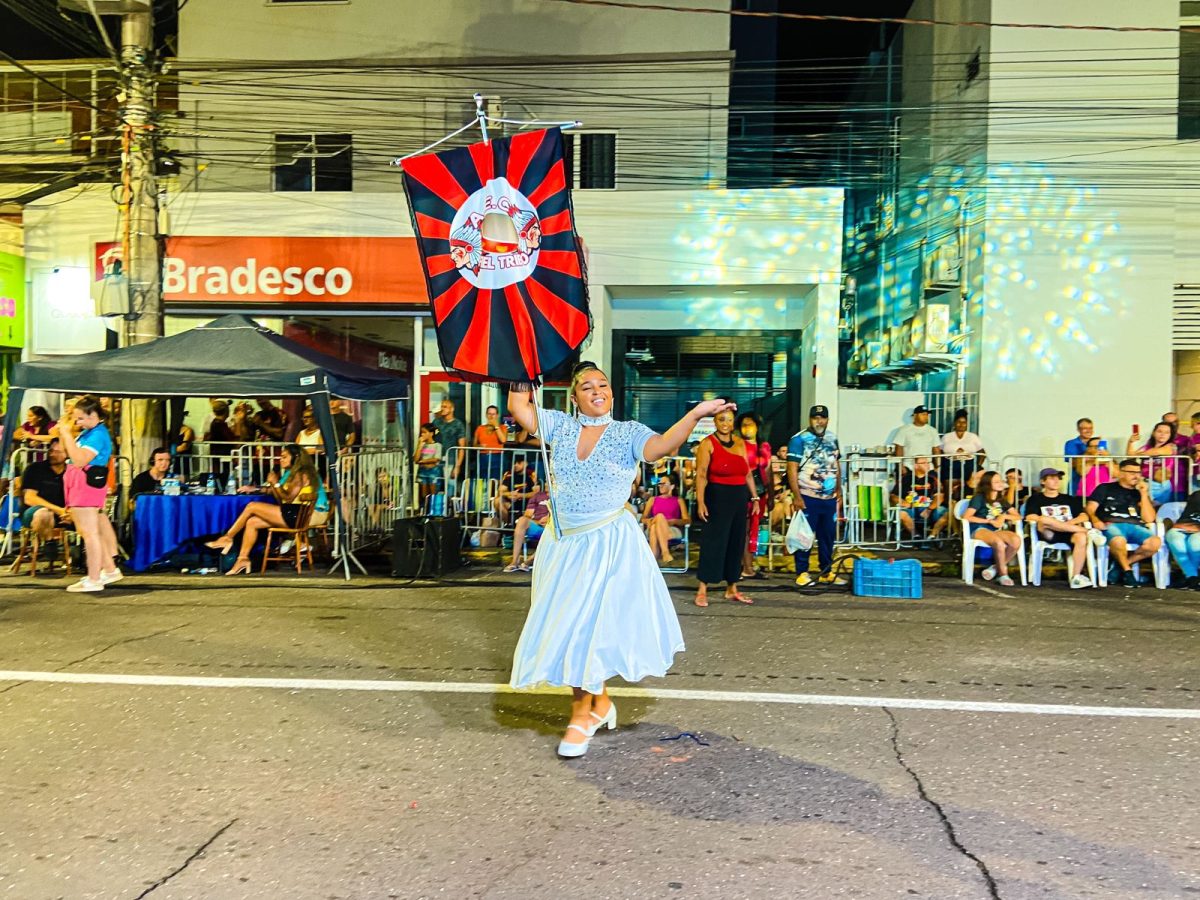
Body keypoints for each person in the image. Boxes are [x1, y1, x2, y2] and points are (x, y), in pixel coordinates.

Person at [507, 362, 726, 758]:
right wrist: (523, 366)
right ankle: (601, 703)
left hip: (608, 543)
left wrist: (694, 415)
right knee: (573, 626)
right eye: (587, 386)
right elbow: (520, 407)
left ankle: (582, 714)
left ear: (611, 392)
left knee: (588, 627)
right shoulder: (560, 426)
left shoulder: (628, 432)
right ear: (574, 397)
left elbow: (661, 447)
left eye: (602, 384)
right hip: (564, 543)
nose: (597, 390)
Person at [205, 444, 323, 575]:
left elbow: (288, 499)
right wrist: (274, 485)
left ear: (295, 458)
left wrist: (275, 483)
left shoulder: (301, 474)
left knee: (252, 506)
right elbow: (281, 500)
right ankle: (242, 559)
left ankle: (227, 537)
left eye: (284, 457)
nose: (281, 460)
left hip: (295, 515)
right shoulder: (293, 474)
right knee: (252, 522)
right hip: (290, 512)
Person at [54, 395, 121, 593]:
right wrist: (65, 433)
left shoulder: (97, 435)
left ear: (94, 415)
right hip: (80, 485)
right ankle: (109, 570)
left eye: (81, 418)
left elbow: (79, 460)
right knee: (88, 531)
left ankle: (94, 578)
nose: (77, 422)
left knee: (90, 534)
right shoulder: (90, 433)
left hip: (86, 486)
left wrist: (65, 434)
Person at [695, 408, 760, 606]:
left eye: (729, 420)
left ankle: (732, 587)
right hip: (717, 497)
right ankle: (702, 589)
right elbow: (701, 474)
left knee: (736, 542)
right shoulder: (708, 444)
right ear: (715, 421)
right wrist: (700, 502)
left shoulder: (741, 443)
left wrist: (755, 498)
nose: (725, 423)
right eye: (721, 419)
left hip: (739, 497)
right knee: (714, 542)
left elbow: (747, 473)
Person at [788, 404, 843, 586]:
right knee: (804, 535)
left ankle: (826, 571)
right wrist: (797, 496)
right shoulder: (799, 439)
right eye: (815, 418)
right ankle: (802, 572)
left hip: (829, 499)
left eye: (822, 417)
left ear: (827, 419)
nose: (819, 421)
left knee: (827, 536)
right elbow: (792, 469)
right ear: (810, 419)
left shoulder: (832, 438)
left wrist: (839, 490)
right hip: (808, 496)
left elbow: (837, 463)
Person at [1086, 459, 1161, 588]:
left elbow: (1149, 519)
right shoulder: (1105, 488)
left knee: (1155, 543)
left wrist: (1144, 494)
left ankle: (1120, 567)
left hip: (1136, 525)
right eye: (1132, 472)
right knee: (1119, 541)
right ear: (1121, 473)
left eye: (1138, 473)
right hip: (1111, 524)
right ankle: (1127, 572)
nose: (1136, 476)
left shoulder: (1139, 493)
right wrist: (1095, 519)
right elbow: (1090, 507)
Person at [1024, 468, 1094, 589]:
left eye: (1058, 478)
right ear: (1043, 482)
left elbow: (1084, 516)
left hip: (1069, 533)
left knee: (1081, 538)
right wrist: (1059, 524)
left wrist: (1070, 523)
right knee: (1044, 519)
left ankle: (1076, 577)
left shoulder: (1069, 499)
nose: (1056, 481)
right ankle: (1089, 532)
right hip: (1048, 533)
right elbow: (1030, 516)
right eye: (1052, 478)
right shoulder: (1036, 498)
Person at [960, 470, 1023, 587]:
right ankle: (1003, 574)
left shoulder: (1002, 500)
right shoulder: (979, 498)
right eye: (996, 481)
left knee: (1016, 540)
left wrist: (1003, 516)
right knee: (999, 543)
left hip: (994, 530)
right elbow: (967, 516)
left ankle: (994, 568)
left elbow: (1018, 516)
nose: (1000, 483)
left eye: (1001, 481)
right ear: (988, 484)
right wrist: (988, 521)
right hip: (979, 529)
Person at [17, 437, 69, 561]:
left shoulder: (71, 472)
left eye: (57, 451)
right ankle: (50, 542)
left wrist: (69, 512)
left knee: (93, 516)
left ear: (67, 454)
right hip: (34, 512)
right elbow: (29, 498)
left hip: (62, 513)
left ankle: (90, 558)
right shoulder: (35, 469)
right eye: (51, 451)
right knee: (44, 514)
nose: (52, 454)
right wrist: (58, 510)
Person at [735, 411, 773, 577]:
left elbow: (768, 471)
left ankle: (749, 565)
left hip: (761, 492)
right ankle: (745, 566)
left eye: (750, 424)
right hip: (742, 492)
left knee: (754, 529)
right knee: (743, 529)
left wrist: (771, 494)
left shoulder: (764, 446)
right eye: (744, 425)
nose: (747, 428)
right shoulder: (737, 445)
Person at [892, 455, 948, 543]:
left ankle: (933, 535)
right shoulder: (906, 478)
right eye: (924, 463)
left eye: (928, 463)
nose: (928, 465)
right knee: (901, 514)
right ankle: (916, 536)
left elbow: (940, 496)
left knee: (948, 513)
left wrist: (929, 509)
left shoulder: (933, 479)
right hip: (911, 508)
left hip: (929, 508)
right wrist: (905, 503)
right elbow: (893, 496)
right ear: (916, 466)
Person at [1127, 420, 1184, 505]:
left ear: (1170, 435)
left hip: (1160, 484)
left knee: (1158, 509)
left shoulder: (1171, 446)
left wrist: (1138, 454)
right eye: (1159, 431)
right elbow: (1130, 457)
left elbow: (1156, 452)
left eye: (1166, 432)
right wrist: (1131, 442)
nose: (1162, 434)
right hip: (1144, 482)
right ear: (1154, 433)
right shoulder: (1146, 447)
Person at [642, 473, 690, 565]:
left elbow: (687, 520)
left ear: (672, 486)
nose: (660, 486)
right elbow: (643, 518)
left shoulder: (678, 500)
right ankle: (665, 552)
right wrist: (648, 521)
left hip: (671, 530)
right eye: (660, 484)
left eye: (664, 483)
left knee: (654, 527)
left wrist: (674, 521)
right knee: (657, 520)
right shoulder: (653, 499)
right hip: (653, 525)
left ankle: (652, 566)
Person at [940, 410, 986, 501]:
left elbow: (982, 453)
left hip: (968, 464)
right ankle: (949, 503)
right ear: (954, 423)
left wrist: (978, 466)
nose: (961, 424)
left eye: (964, 422)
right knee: (949, 484)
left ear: (967, 424)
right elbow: (940, 452)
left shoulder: (973, 437)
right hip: (951, 464)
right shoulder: (947, 437)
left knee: (970, 484)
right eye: (959, 422)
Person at [504, 488, 550, 573]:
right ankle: (515, 561)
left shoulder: (561, 497)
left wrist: (550, 520)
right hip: (537, 525)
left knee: (552, 531)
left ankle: (528, 561)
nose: (550, 481)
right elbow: (528, 514)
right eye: (548, 479)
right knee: (522, 520)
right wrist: (537, 521)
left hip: (552, 527)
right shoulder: (538, 496)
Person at [1163, 487, 1200, 589]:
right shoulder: (1196, 495)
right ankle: (1193, 578)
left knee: (1195, 544)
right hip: (1182, 526)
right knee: (1176, 542)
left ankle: (1190, 577)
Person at [435, 398, 467, 490]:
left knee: (449, 488)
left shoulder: (458, 424)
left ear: (452, 409)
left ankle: (449, 504)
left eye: (445, 407)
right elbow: (430, 441)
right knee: (435, 487)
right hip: (436, 460)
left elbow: (462, 447)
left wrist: (457, 466)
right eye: (441, 406)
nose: (442, 409)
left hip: (451, 460)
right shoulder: (436, 422)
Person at [495, 455, 538, 523]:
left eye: (519, 463)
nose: (515, 465)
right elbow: (500, 491)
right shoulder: (509, 474)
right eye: (514, 463)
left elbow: (536, 493)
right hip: (511, 503)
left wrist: (520, 495)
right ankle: (508, 524)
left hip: (528, 504)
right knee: (497, 501)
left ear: (525, 463)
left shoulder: (531, 474)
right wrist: (509, 494)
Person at [473, 404, 508, 482]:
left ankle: (494, 494)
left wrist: (496, 426)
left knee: (496, 481)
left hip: (497, 457)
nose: (491, 416)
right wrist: (479, 446)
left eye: (493, 414)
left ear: (497, 415)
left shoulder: (503, 427)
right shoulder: (480, 428)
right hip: (483, 457)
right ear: (486, 415)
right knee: (481, 481)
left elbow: (503, 440)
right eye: (489, 414)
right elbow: (474, 444)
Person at [413, 421, 443, 505]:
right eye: (421, 432)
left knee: (433, 494)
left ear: (431, 433)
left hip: (433, 471)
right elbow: (416, 459)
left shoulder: (437, 445)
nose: (422, 434)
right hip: (422, 471)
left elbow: (436, 459)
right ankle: (423, 509)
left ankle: (433, 511)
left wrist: (422, 461)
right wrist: (419, 446)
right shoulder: (422, 445)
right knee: (423, 494)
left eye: (424, 432)